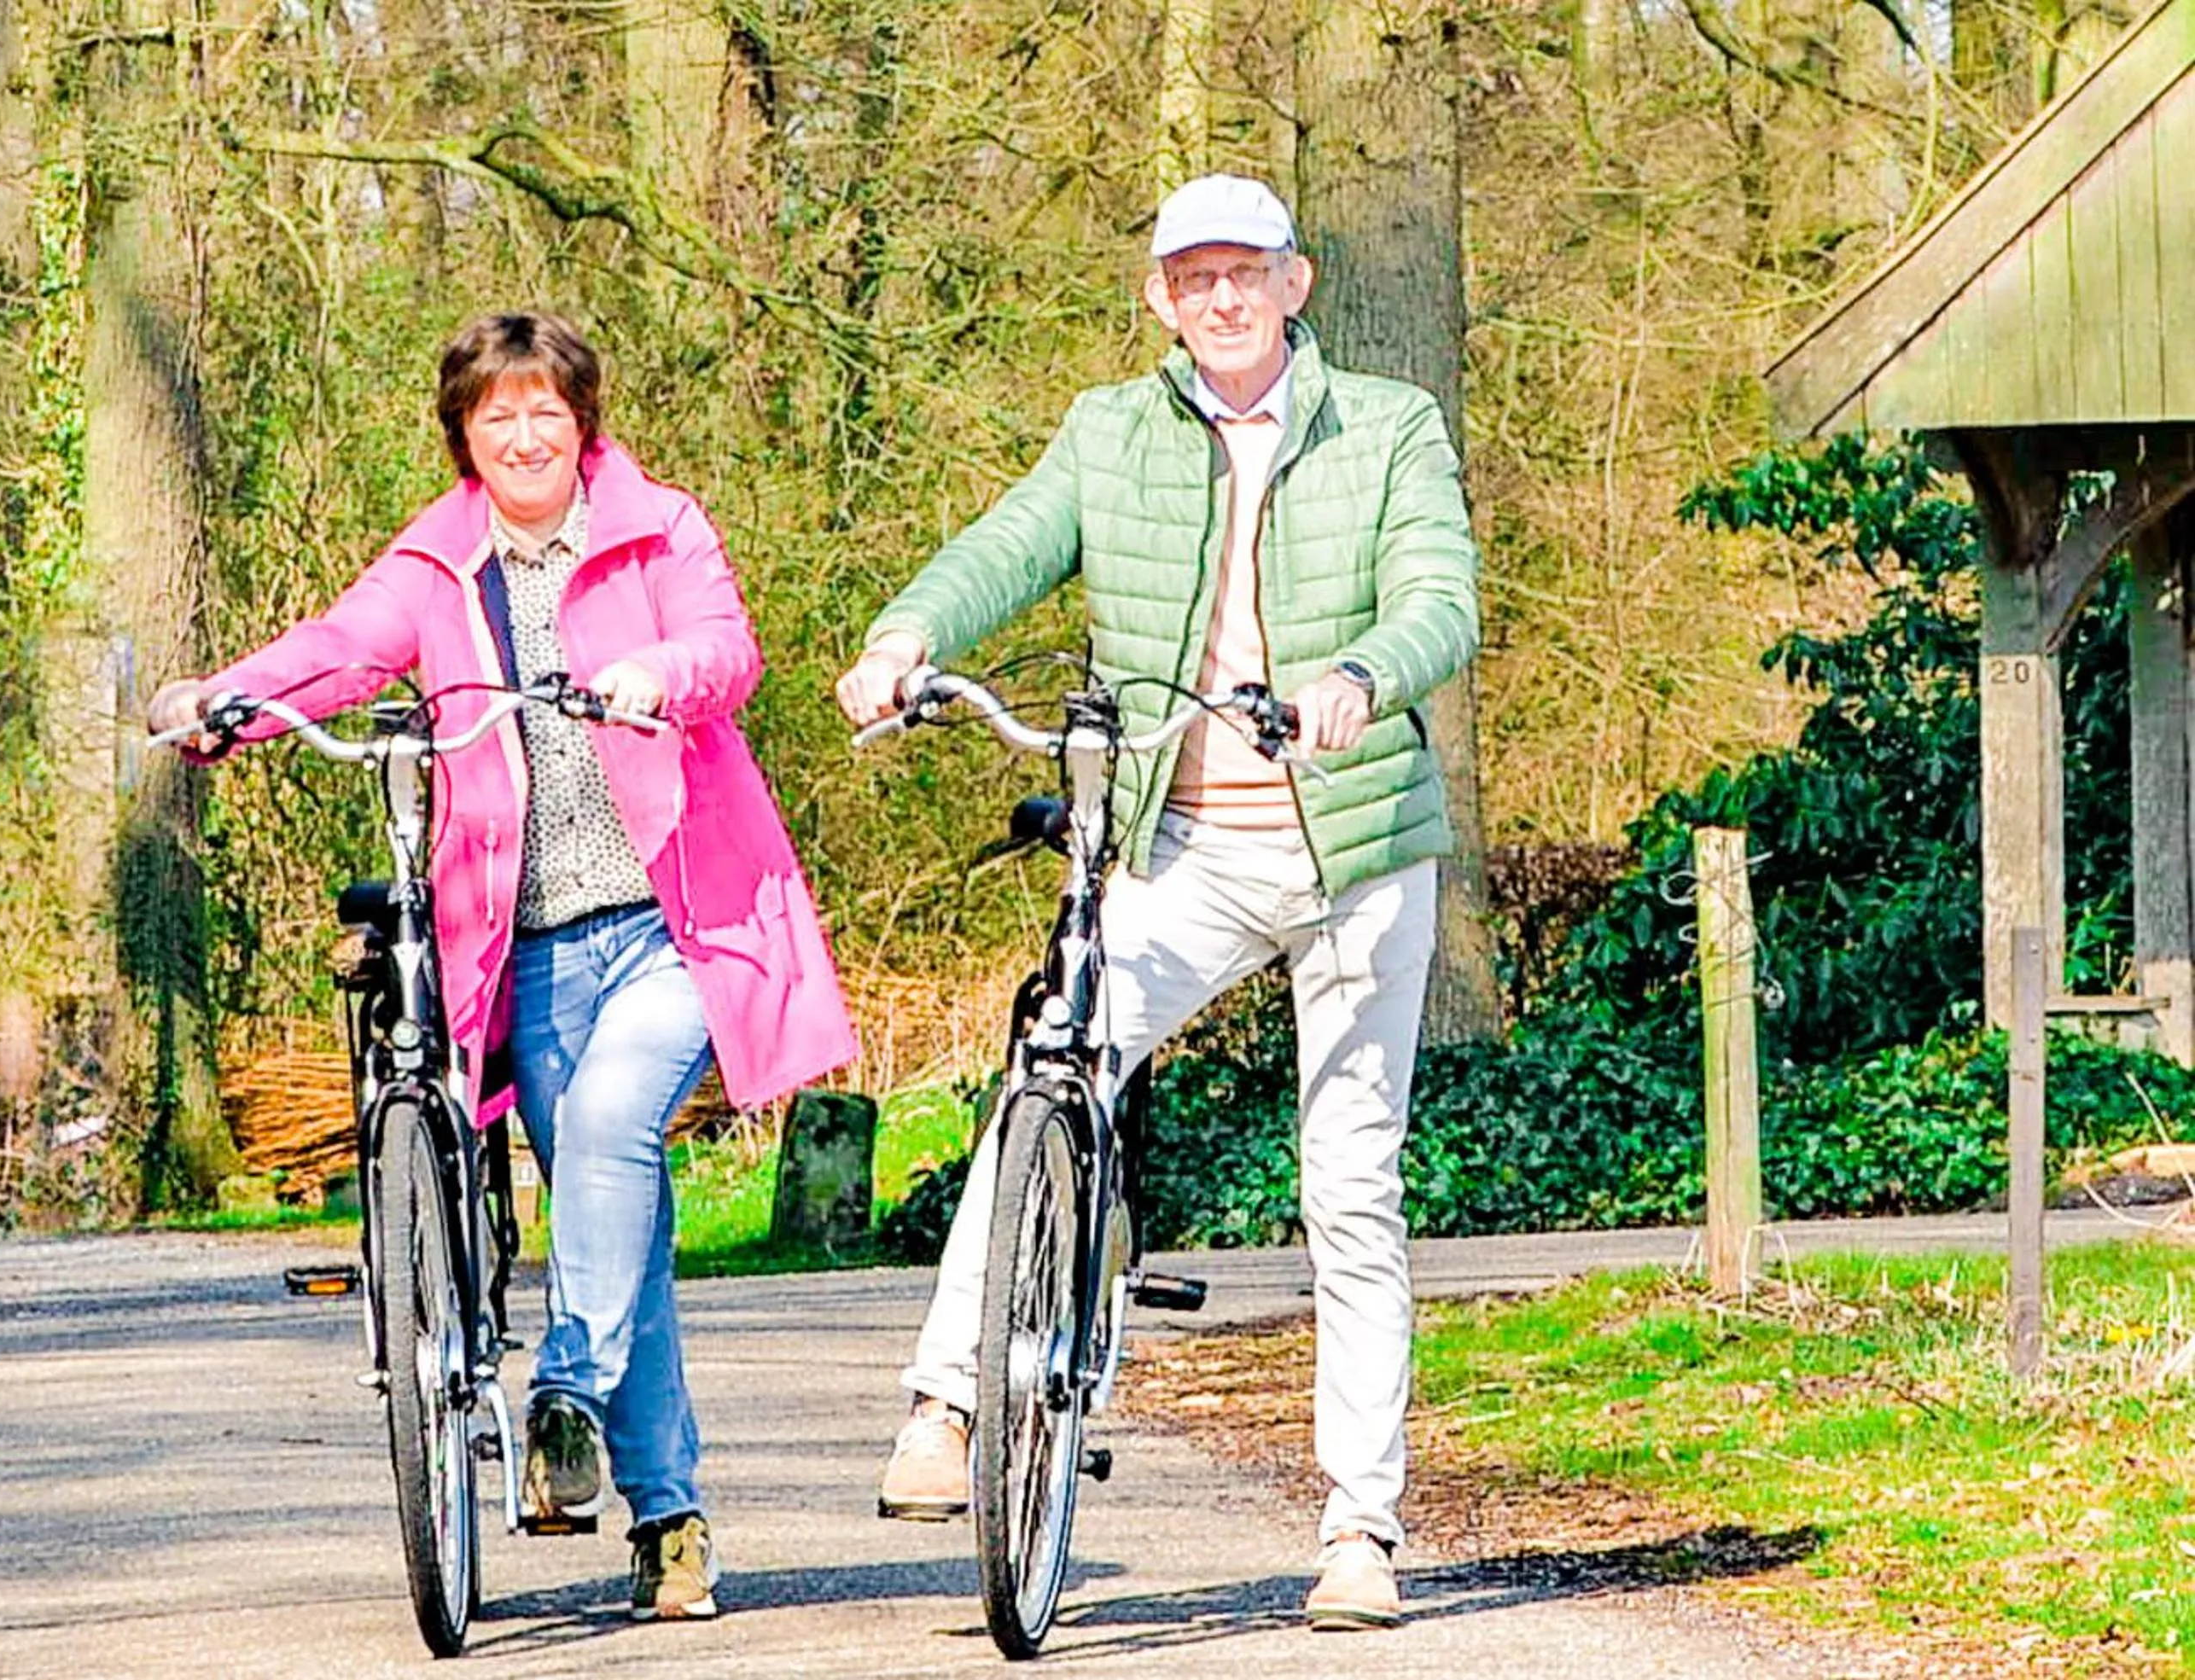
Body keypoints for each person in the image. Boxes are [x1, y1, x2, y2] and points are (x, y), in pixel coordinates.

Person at [834, 174, 1479, 1631]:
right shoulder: (1109, 431)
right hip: (1183, 847)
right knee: (1050, 1064)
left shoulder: (1387, 426)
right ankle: (949, 1400)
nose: (1223, 298)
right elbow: (1008, 544)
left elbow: (1441, 595)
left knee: (1349, 1187)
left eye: (1247, 272)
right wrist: (908, 635)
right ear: (1159, 300)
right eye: (1195, 278)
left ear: (1296, 284)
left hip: (1356, 853)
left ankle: (1360, 1531)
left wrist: (1361, 677)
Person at [150, 311, 859, 1623]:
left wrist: (658, 671)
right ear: (465, 435)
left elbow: (727, 649)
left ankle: (567, 1385)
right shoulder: (438, 562)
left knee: (608, 1129)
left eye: (546, 411)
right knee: (613, 1216)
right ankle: (670, 1524)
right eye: (498, 415)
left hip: (672, 925)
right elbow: (340, 647)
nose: (525, 435)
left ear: (582, 422)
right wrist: (221, 701)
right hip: (525, 953)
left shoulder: (660, 530)